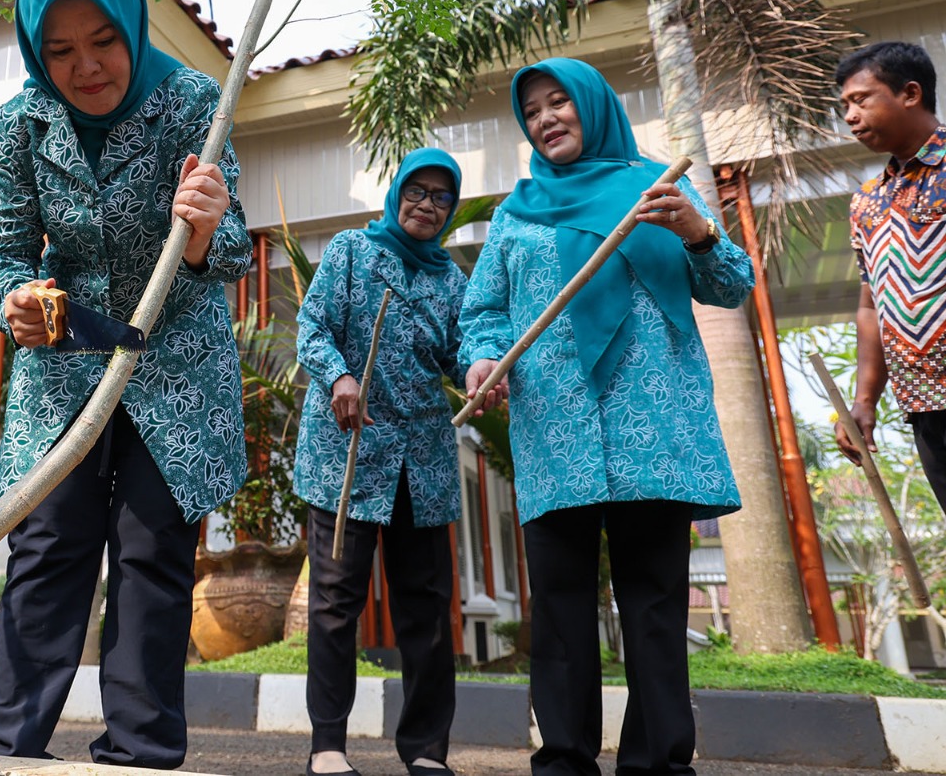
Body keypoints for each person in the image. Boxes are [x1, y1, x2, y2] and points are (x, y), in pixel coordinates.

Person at [0, 0, 251, 768]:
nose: (86, 67)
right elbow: (0, 253)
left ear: (131, 30)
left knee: (151, 551)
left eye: (103, 43)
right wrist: (10, 300)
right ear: (35, 52)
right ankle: (11, 750)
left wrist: (203, 227)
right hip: (67, 357)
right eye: (60, 51)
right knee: (49, 546)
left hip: (175, 361)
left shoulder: (195, 100)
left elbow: (231, 249)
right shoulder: (22, 122)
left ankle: (142, 752)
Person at [458, 58, 752, 776]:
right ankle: (563, 760)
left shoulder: (657, 189)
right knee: (559, 608)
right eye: (532, 111)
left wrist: (697, 231)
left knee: (653, 605)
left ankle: (658, 762)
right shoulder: (515, 214)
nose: (547, 118)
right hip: (554, 431)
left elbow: (731, 285)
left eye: (561, 102)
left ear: (593, 106)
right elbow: (484, 313)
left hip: (654, 426)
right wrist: (481, 360)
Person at [293, 148, 467, 776]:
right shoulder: (349, 251)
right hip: (348, 457)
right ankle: (328, 747)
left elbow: (460, 352)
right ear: (396, 195)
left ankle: (425, 752)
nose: (426, 204)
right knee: (336, 605)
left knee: (425, 612)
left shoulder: (451, 279)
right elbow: (311, 327)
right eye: (416, 191)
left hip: (421, 465)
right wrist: (339, 375)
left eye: (440, 197)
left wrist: (479, 369)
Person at [835, 41, 946, 511]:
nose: (850, 116)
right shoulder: (867, 202)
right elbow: (870, 304)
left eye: (861, 99)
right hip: (926, 405)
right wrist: (864, 400)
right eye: (844, 106)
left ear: (910, 93)